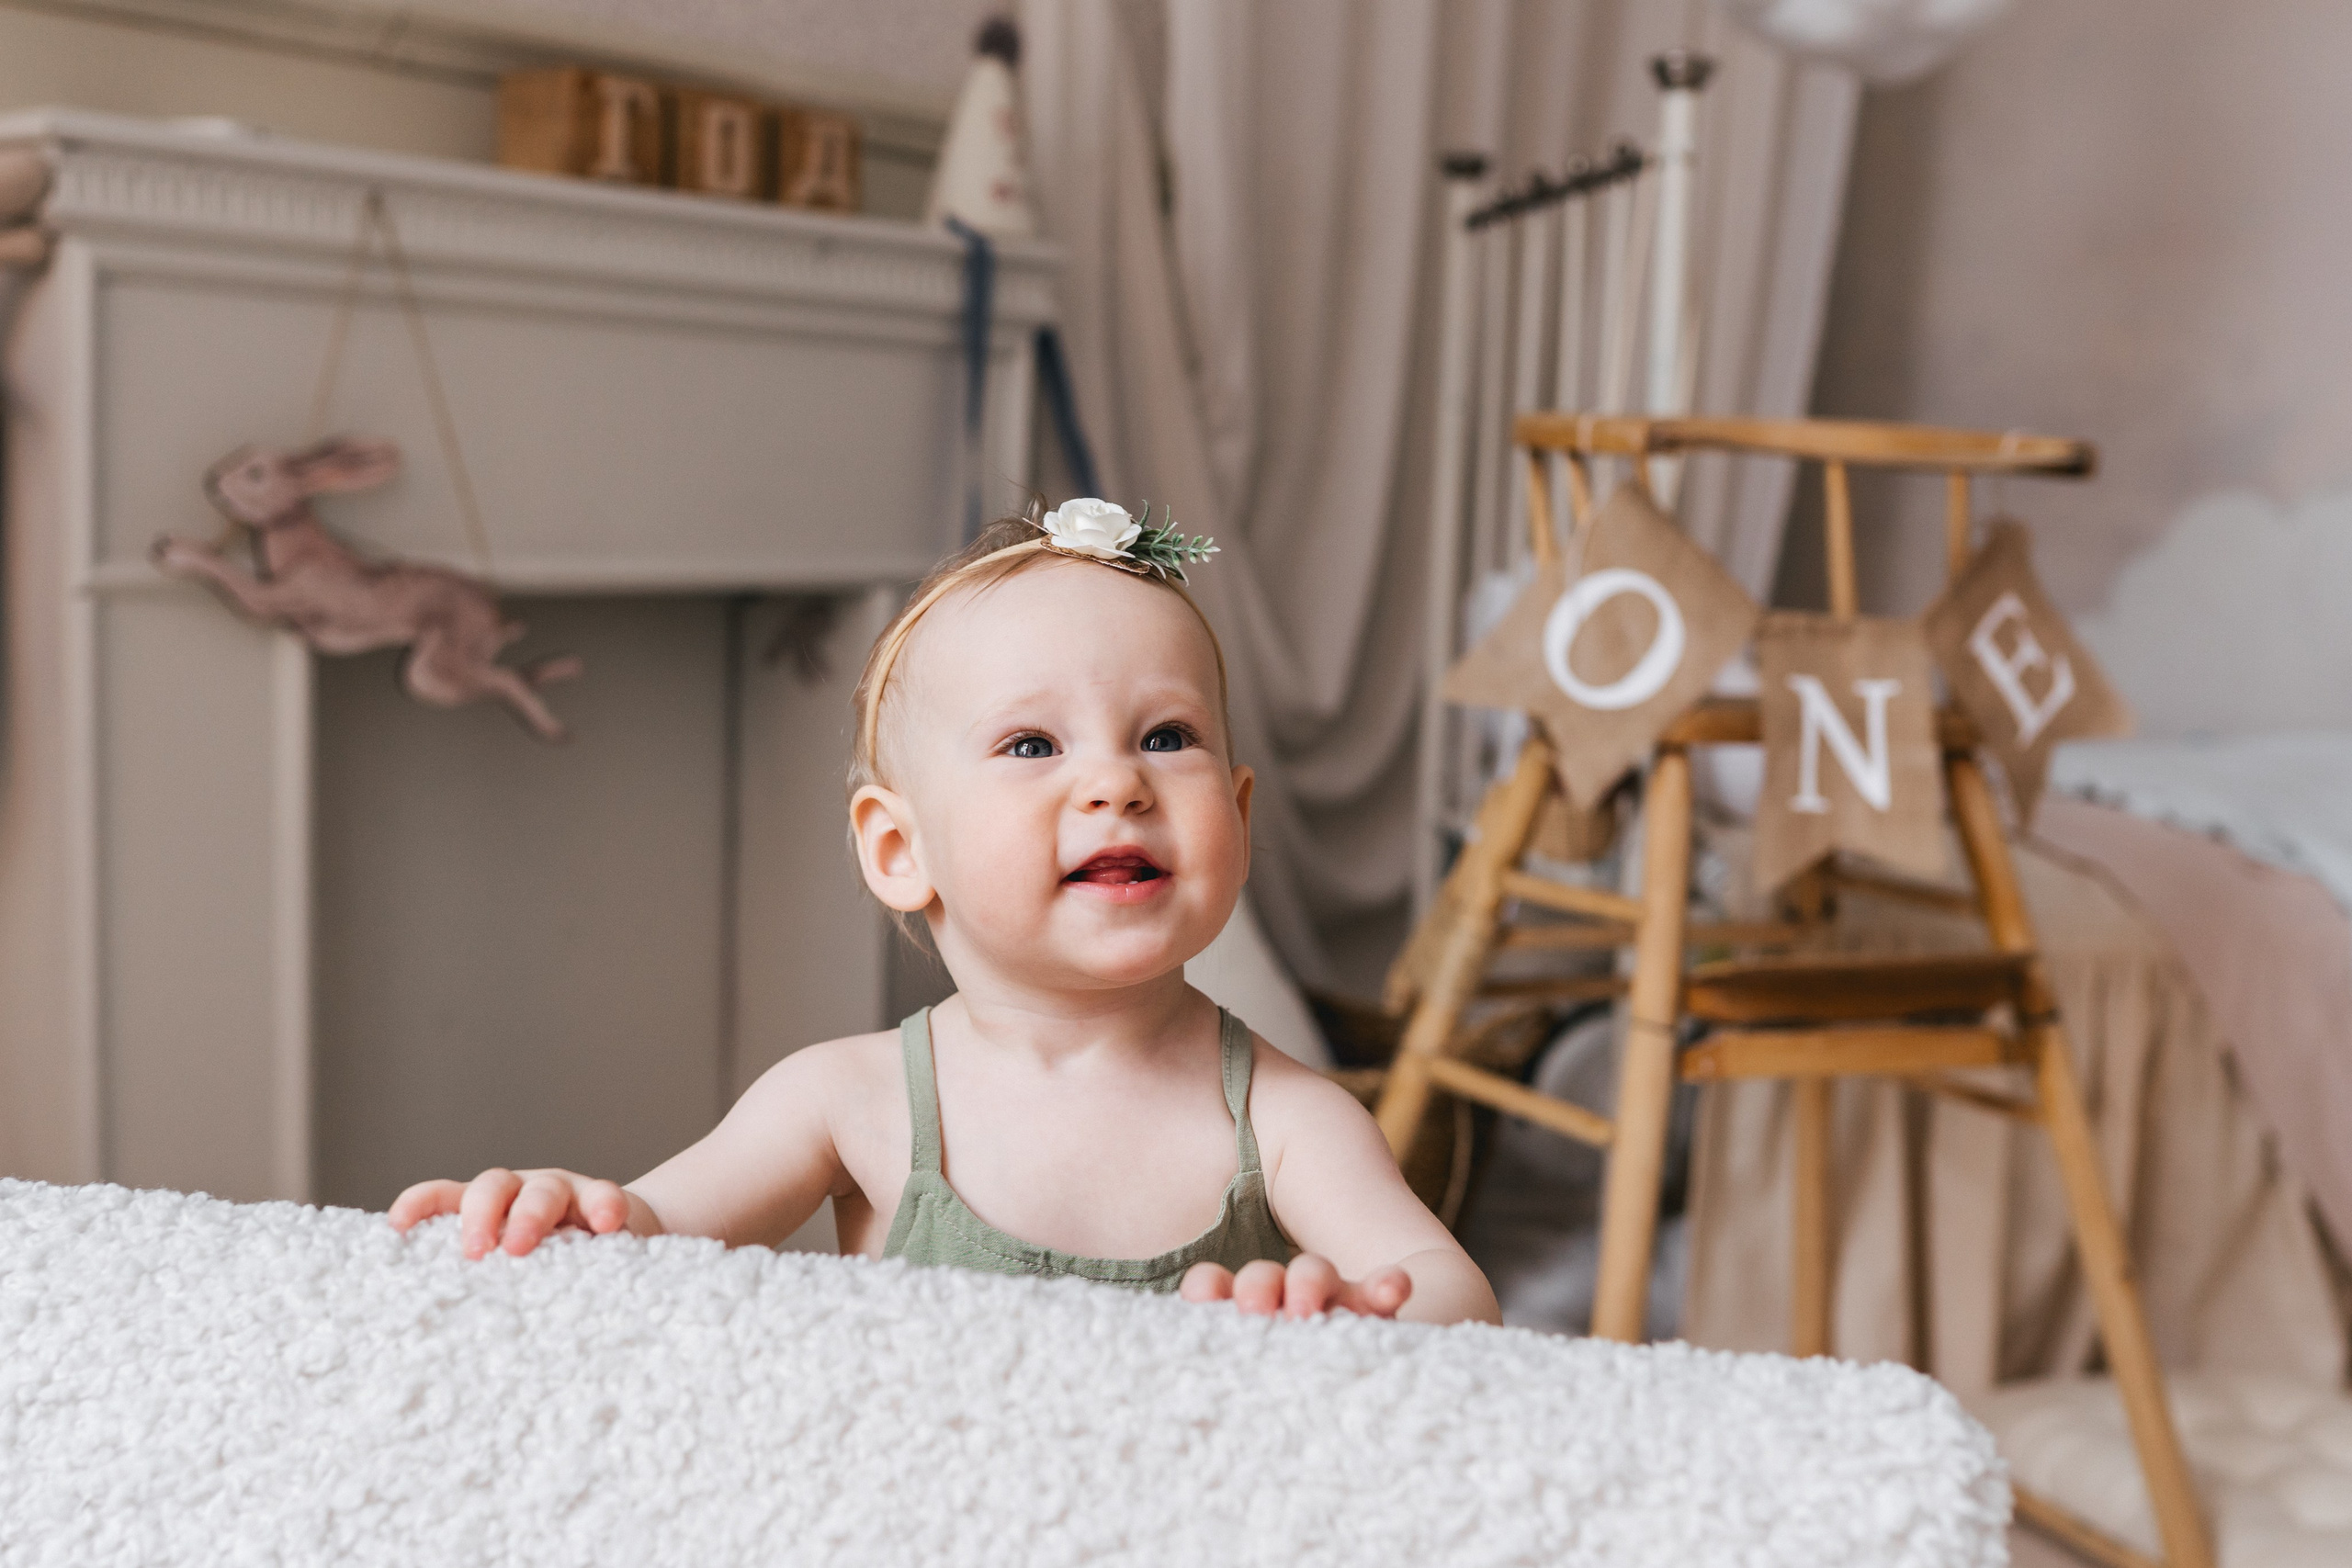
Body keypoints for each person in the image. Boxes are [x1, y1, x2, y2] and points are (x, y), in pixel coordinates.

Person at [390, 502, 1498, 1325]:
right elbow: (652, 1234)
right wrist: (569, 1210)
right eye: (1032, 746)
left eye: (1167, 736)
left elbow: (1457, 1292)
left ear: (1239, 818)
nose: (1117, 783)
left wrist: (1356, 1316)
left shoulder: (1289, 1122)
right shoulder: (846, 1099)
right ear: (898, 848)